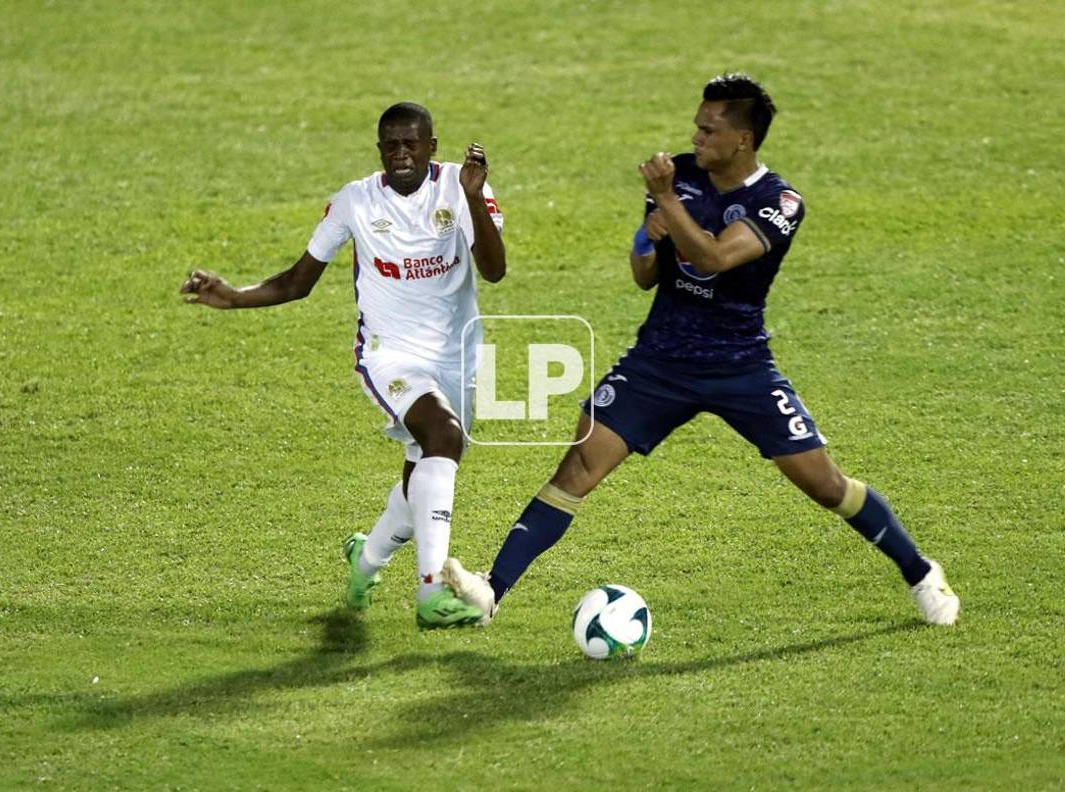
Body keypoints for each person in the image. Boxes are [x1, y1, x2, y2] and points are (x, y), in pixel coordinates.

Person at [443, 73, 959, 627]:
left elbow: (713, 258)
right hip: (659, 360)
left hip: (739, 365)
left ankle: (921, 572)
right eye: (696, 125)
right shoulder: (681, 176)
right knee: (579, 465)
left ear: (743, 139)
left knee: (824, 483)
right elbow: (646, 275)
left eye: (709, 130)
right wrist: (647, 236)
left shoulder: (778, 201)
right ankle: (492, 591)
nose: (696, 138)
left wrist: (666, 199)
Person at [180, 102, 506, 629]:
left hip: (458, 355)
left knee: (420, 476)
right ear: (380, 151)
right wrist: (234, 297)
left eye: (411, 143)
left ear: (432, 147)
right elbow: (297, 282)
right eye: (390, 145)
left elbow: (494, 270)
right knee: (442, 439)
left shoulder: (462, 187)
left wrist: (471, 197)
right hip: (389, 354)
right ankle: (432, 594)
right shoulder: (355, 202)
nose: (401, 154)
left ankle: (367, 560)